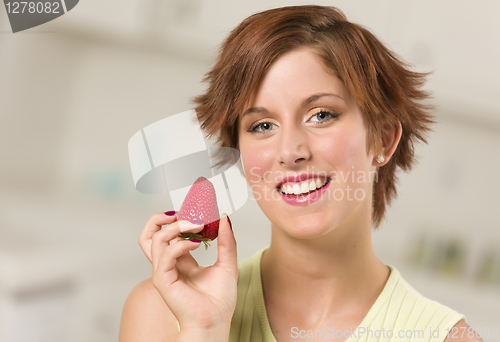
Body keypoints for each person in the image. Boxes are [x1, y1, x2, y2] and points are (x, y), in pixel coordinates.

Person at [119, 5, 483, 342]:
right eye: (262, 125)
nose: (290, 152)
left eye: (322, 115)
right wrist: (205, 328)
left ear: (383, 140)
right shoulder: (164, 313)